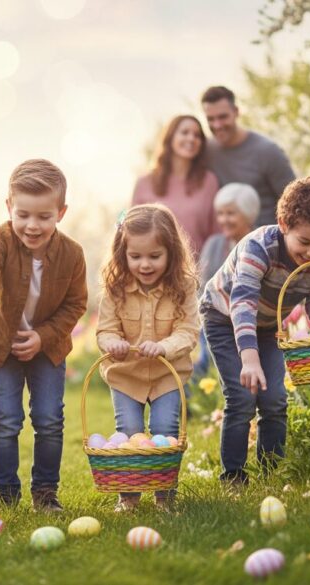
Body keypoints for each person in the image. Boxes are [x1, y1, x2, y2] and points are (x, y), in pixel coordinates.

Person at [200, 177, 310, 484]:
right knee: (241, 396)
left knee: (275, 399)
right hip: (224, 319)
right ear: (283, 224)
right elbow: (242, 303)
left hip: (267, 327)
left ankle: (272, 474)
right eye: (305, 242)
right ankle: (233, 477)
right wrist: (250, 359)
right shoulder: (259, 248)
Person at [0, 159, 88, 512]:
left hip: (47, 350)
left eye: (43, 217)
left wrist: (43, 336)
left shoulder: (72, 254)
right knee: (5, 419)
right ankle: (5, 495)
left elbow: (76, 304)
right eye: (23, 215)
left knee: (49, 419)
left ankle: (45, 493)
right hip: (0, 345)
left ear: (61, 213)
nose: (32, 226)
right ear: (9, 208)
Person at [96, 204, 200, 512]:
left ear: (171, 253)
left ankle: (164, 495)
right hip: (127, 376)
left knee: (165, 429)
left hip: (168, 376)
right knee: (129, 432)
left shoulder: (183, 287)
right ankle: (128, 496)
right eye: (135, 256)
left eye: (154, 256)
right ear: (122, 253)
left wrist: (164, 346)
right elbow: (104, 331)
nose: (144, 264)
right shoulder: (115, 290)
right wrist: (112, 343)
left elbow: (188, 331)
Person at [201, 86, 296, 227]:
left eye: (223, 117)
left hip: (267, 242)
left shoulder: (267, 151)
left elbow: (296, 202)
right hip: (229, 243)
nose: (217, 125)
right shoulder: (208, 151)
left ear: (236, 112)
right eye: (211, 119)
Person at [194, 183, 261, 377]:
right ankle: (186, 403)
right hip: (215, 319)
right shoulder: (214, 244)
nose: (224, 220)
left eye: (231, 213)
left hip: (252, 323)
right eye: (220, 213)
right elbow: (201, 287)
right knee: (206, 364)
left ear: (248, 214)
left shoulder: (260, 243)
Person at [132, 115, 219, 259]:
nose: (191, 139)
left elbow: (216, 234)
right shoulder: (144, 182)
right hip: (153, 270)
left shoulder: (209, 181)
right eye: (184, 132)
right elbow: (127, 225)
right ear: (170, 137)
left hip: (197, 272)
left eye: (197, 135)